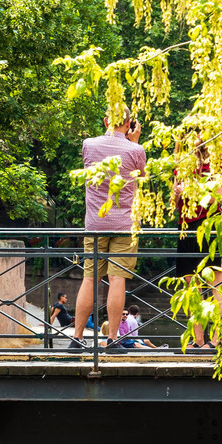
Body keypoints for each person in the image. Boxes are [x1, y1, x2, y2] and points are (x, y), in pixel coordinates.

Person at [73, 116, 146, 352]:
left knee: (90, 278)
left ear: (105, 120)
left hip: (94, 223)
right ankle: (112, 339)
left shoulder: (88, 144)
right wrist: (133, 141)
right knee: (117, 280)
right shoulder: (136, 150)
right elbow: (142, 180)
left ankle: (77, 338)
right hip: (124, 225)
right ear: (129, 123)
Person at [175, 141, 222, 350]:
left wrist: (193, 193)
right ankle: (199, 340)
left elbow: (219, 196)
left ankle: (217, 340)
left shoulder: (215, 162)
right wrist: (178, 193)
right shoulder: (180, 164)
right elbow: (174, 199)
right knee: (190, 285)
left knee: (216, 282)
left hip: (209, 225)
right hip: (185, 225)